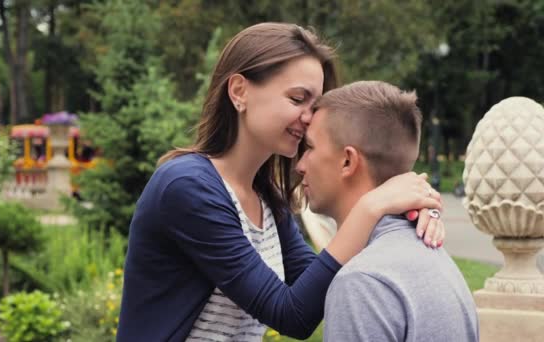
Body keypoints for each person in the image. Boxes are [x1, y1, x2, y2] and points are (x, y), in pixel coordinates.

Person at [117, 23, 445, 341]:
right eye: (297, 98)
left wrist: (403, 217)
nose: (309, 117)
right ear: (239, 91)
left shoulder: (266, 196)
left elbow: (322, 286)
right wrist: (373, 205)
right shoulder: (187, 187)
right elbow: (291, 315)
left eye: (314, 105)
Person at [295, 81, 478, 341]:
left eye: (309, 147)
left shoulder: (361, 282)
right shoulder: (439, 260)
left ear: (348, 161)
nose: (300, 165)